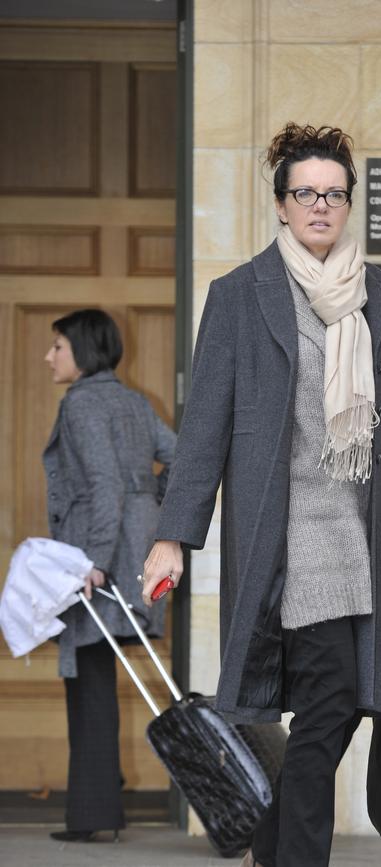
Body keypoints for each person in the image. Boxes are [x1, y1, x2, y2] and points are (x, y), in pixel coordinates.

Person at [142, 123, 381, 867]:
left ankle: (271, 847)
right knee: (332, 700)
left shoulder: (377, 294)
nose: (321, 207)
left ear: (348, 205)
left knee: (341, 711)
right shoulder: (241, 296)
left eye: (335, 194)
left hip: (362, 540)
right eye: (306, 193)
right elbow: (204, 426)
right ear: (280, 204)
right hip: (289, 546)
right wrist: (172, 533)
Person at [43, 309, 176, 842]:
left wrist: (93, 560)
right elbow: (185, 457)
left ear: (82, 349)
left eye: (57, 346)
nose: (49, 356)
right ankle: (98, 802)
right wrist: (155, 506)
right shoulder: (133, 401)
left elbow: (101, 485)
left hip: (97, 560)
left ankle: (94, 815)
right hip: (132, 552)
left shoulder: (81, 403)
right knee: (98, 674)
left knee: (90, 681)